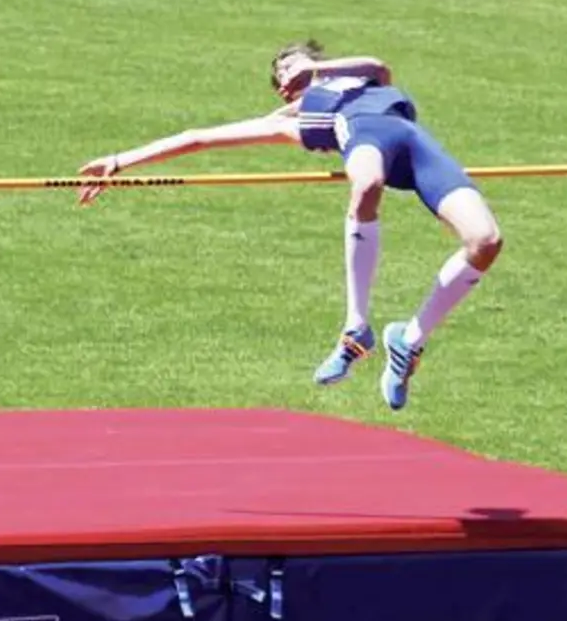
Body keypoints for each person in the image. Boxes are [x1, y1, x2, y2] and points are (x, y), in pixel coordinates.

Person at [76, 40, 503, 411]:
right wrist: (118, 161)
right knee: (368, 183)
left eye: (295, 62)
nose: (290, 70)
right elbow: (197, 136)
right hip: (364, 141)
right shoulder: (289, 121)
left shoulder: (363, 78)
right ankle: (356, 329)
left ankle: (408, 341)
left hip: (416, 145)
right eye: (283, 70)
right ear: (283, 88)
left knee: (486, 240)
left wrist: (317, 67)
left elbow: (376, 63)